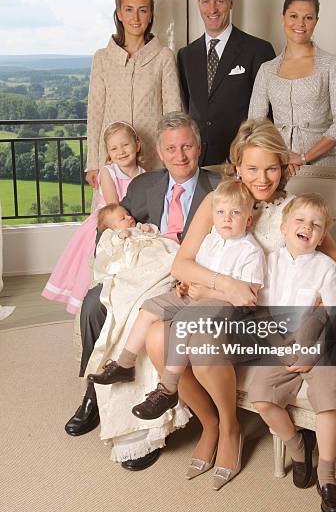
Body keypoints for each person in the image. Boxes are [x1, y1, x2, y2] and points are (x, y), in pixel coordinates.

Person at [143, 118, 336, 490]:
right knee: (157, 338)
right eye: (253, 168)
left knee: (202, 342)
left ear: (285, 166)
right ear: (237, 165)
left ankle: (230, 429)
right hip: (223, 306)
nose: (262, 178)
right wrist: (222, 284)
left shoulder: (296, 214)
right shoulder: (219, 201)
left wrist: (314, 319)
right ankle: (210, 423)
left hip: (268, 322)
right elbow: (182, 263)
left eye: (272, 167)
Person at [64, 112, 220, 472]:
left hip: (186, 275)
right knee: (93, 304)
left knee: (142, 314)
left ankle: (144, 431)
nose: (179, 155)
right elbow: (115, 229)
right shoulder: (144, 185)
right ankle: (94, 393)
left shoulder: (218, 187)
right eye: (170, 148)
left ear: (199, 147)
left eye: (187, 146)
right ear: (159, 152)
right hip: (142, 267)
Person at [87, 180, 266, 427]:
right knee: (150, 306)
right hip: (194, 294)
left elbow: (249, 295)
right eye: (221, 212)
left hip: (224, 305)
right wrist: (186, 284)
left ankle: (168, 389)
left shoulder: (250, 251)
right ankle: (125, 363)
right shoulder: (211, 239)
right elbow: (194, 269)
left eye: (235, 213)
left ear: (248, 220)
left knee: (183, 322)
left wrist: (207, 292)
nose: (227, 219)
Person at [248, 193, 336, 512]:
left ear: (323, 236)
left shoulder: (328, 269)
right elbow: (261, 311)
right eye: (299, 220)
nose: (307, 227)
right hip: (282, 343)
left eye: (316, 225)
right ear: (283, 227)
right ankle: (298, 446)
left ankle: (327, 477)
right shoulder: (269, 263)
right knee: (261, 396)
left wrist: (313, 353)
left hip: (323, 343)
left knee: (327, 400)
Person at [85, 0, 181, 187]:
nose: (135, 18)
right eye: (128, 10)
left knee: (152, 216)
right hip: (111, 161)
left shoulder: (164, 57)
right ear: (119, 13)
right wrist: (93, 163)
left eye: (142, 10)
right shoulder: (102, 58)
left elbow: (173, 114)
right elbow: (95, 113)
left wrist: (173, 158)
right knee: (112, 216)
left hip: (154, 160)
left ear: (151, 15)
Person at [42, 122, 144, 314]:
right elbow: (113, 207)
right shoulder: (108, 172)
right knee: (94, 264)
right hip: (109, 222)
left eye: (125, 145)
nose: (121, 151)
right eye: (114, 148)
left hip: (129, 221)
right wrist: (124, 227)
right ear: (108, 152)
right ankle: (90, 306)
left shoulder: (144, 175)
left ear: (137, 145)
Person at [249, 0, 336, 173]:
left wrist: (305, 157)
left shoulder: (333, 65)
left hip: (322, 166)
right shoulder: (267, 69)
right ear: (282, 18)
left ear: (316, 21)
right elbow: (255, 123)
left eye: (308, 17)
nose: (300, 24)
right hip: (278, 165)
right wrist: (280, 155)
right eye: (294, 16)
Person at [177, 0, 275, 166]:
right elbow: (190, 108)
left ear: (231, 2)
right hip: (198, 163)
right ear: (198, 4)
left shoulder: (258, 50)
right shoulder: (186, 55)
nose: (212, 9)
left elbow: (268, 114)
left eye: (219, 1)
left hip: (242, 162)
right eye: (206, 1)